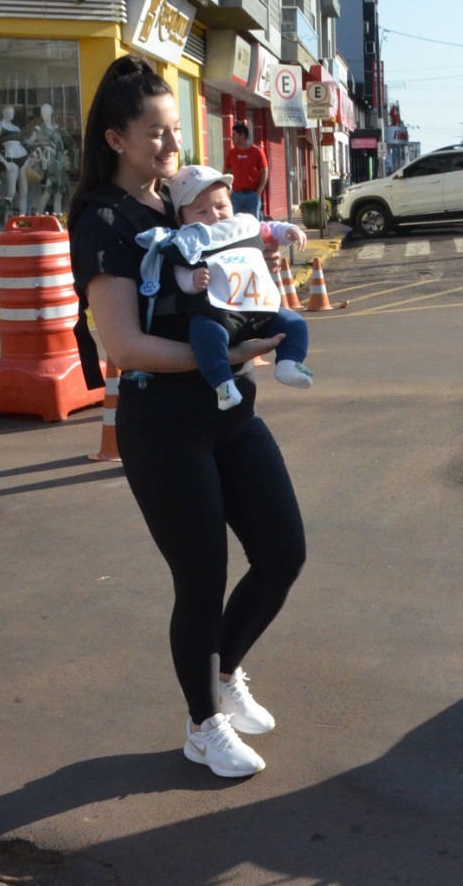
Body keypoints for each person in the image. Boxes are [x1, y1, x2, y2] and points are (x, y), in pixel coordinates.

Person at [68, 56, 305, 778]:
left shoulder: (182, 201)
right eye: (156, 133)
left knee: (283, 551)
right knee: (201, 575)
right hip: (162, 425)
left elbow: (231, 274)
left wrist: (260, 302)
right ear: (116, 138)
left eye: (176, 130)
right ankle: (203, 724)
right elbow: (124, 344)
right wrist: (232, 355)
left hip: (229, 412)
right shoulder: (102, 219)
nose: (173, 145)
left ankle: (224, 672)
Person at [136, 164, 315, 411]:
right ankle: (223, 385)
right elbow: (179, 272)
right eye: (201, 211)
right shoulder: (188, 240)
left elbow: (267, 229)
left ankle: (289, 363)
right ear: (181, 220)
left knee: (294, 323)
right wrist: (192, 281)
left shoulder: (242, 224)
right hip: (218, 315)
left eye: (221, 206)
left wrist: (289, 230)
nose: (215, 216)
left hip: (259, 308)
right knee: (204, 337)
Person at [226, 121, 270, 219]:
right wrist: (226, 191)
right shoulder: (231, 153)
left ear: (242, 136)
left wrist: (259, 191)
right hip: (236, 195)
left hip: (252, 195)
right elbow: (225, 172)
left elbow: (265, 172)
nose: (231, 137)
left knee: (253, 224)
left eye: (234, 135)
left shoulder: (257, 152)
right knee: (235, 223)